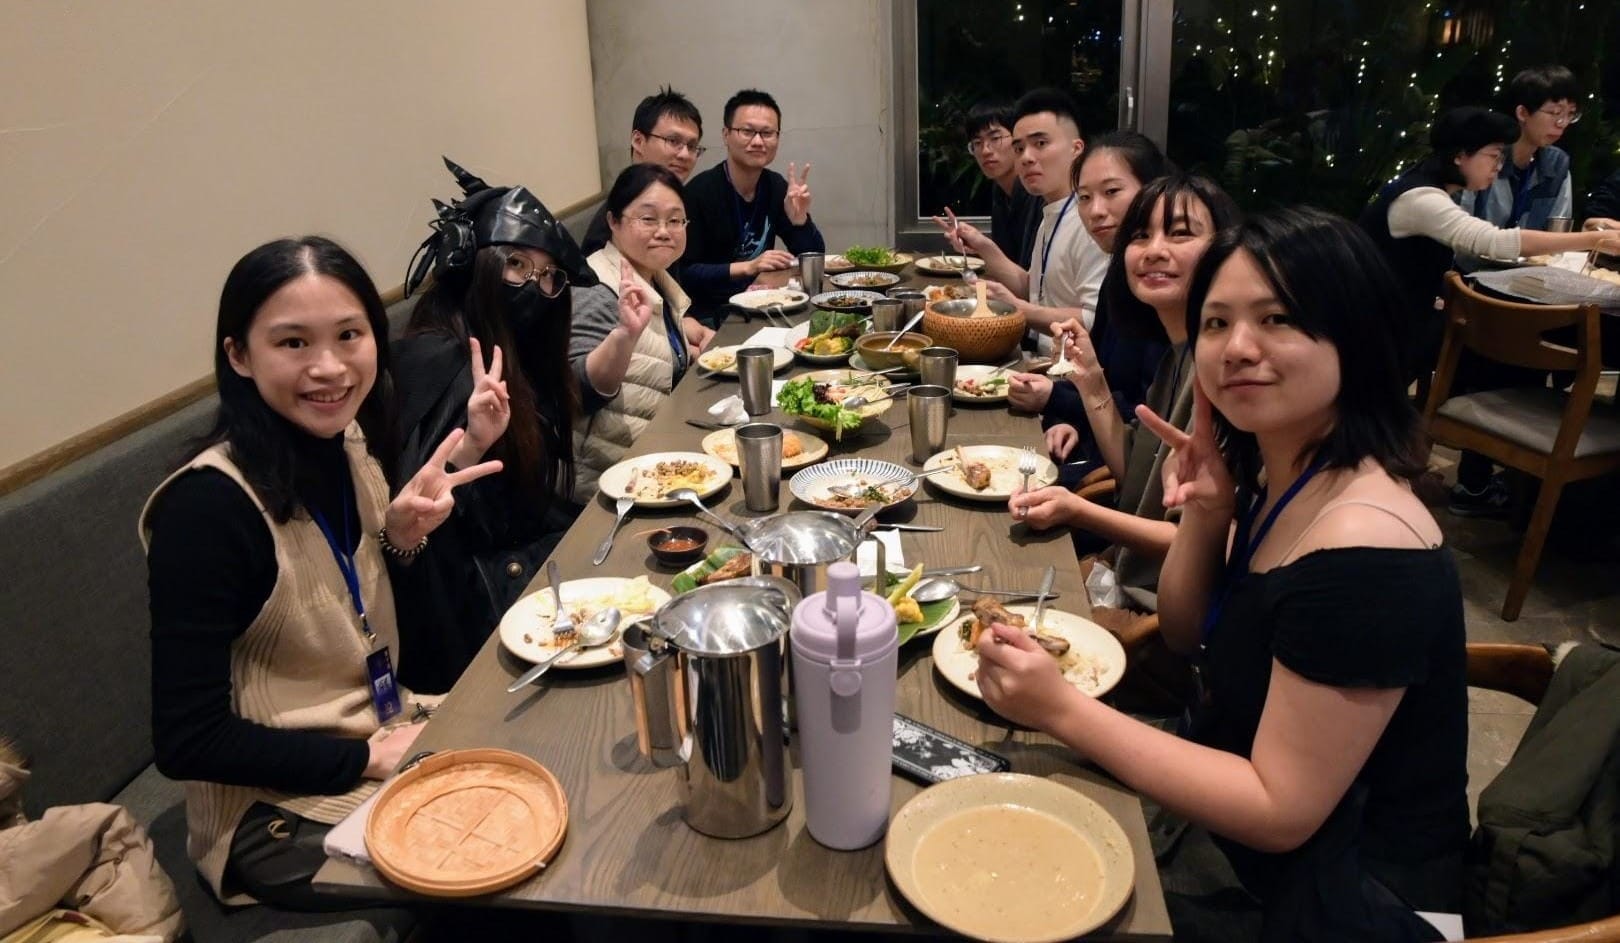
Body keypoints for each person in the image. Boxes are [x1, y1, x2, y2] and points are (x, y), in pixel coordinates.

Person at [978, 208, 1470, 940]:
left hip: (1340, 901)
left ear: (1356, 336)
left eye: (1277, 319)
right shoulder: (1290, 476)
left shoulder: (1370, 547)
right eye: (1217, 323)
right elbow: (1184, 634)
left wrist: (1062, 709)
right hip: (1234, 837)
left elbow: (1279, 810)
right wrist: (1209, 514)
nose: (1238, 347)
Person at [143, 236, 501, 907]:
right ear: (238, 355)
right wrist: (365, 758)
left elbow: (376, 632)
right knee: (498, 847)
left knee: (550, 745)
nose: (330, 367)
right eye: (293, 342)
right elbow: (187, 739)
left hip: (383, 729)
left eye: (348, 335)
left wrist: (401, 541)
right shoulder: (207, 509)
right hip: (275, 812)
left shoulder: (349, 444)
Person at [393, 158, 618, 692]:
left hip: (527, 572)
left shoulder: (513, 348)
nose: (535, 286)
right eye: (516, 265)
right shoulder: (438, 360)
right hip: (472, 623)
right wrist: (472, 443)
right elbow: (429, 527)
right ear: (473, 264)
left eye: (549, 276)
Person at [1358, 109, 1620, 515]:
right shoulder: (1421, 197)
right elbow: (1492, 242)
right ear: (1460, 155)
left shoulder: (1428, 188)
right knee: (1491, 347)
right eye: (1494, 156)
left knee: (1493, 342)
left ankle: (1457, 475)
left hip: (1392, 315)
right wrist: (1591, 240)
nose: (1499, 167)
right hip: (1377, 328)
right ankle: (1466, 479)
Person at [1009, 174, 1240, 615]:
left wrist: (1077, 511)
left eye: (1180, 234)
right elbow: (1132, 471)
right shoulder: (1176, 356)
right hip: (1127, 576)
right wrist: (1090, 380)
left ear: (1227, 250)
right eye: (1140, 236)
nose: (1154, 250)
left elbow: (1206, 539)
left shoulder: (1224, 371)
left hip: (1165, 611)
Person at [1007, 131, 1174, 480]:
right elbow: (1100, 379)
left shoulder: (1166, 297)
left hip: (1130, 479)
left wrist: (1056, 399)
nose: (1096, 211)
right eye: (1083, 197)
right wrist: (1068, 420)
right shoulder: (1120, 275)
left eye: (1111, 192)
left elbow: (1146, 420)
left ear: (1155, 192)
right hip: (1099, 447)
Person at [572, 163, 716, 496]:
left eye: (675, 220)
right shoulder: (597, 288)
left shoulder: (656, 279)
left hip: (650, 466)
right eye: (648, 219)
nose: (664, 231)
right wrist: (623, 337)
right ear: (613, 221)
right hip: (602, 488)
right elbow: (575, 391)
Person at [935, 88, 1109, 346]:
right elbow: (1036, 289)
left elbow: (1096, 319)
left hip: (1070, 366)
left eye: (1041, 144)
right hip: (1041, 358)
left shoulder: (1091, 221)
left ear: (1076, 149)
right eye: (1019, 148)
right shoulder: (1051, 213)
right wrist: (984, 247)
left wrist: (1019, 308)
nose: (1026, 158)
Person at [679, 88, 824, 324]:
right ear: (726, 135)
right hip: (712, 315)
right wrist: (747, 267)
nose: (758, 141)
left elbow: (814, 258)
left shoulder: (775, 186)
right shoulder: (699, 193)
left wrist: (800, 222)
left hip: (761, 305)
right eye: (747, 131)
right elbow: (684, 273)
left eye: (767, 133)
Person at [580, 87, 705, 255]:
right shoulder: (610, 229)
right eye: (673, 141)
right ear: (638, 141)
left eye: (692, 146)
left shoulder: (678, 202)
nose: (685, 154)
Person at [1459, 66, 1579, 232]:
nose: (1562, 123)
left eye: (1570, 114)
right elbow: (1459, 232)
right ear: (1522, 113)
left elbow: (1557, 234)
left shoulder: (1557, 164)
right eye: (1555, 112)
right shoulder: (1483, 157)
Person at [962, 98, 1041, 268]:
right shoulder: (1000, 191)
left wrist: (983, 246)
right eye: (977, 143)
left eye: (995, 138)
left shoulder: (1036, 192)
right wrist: (977, 247)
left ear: (1017, 140)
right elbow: (1008, 261)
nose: (985, 150)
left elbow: (1029, 273)